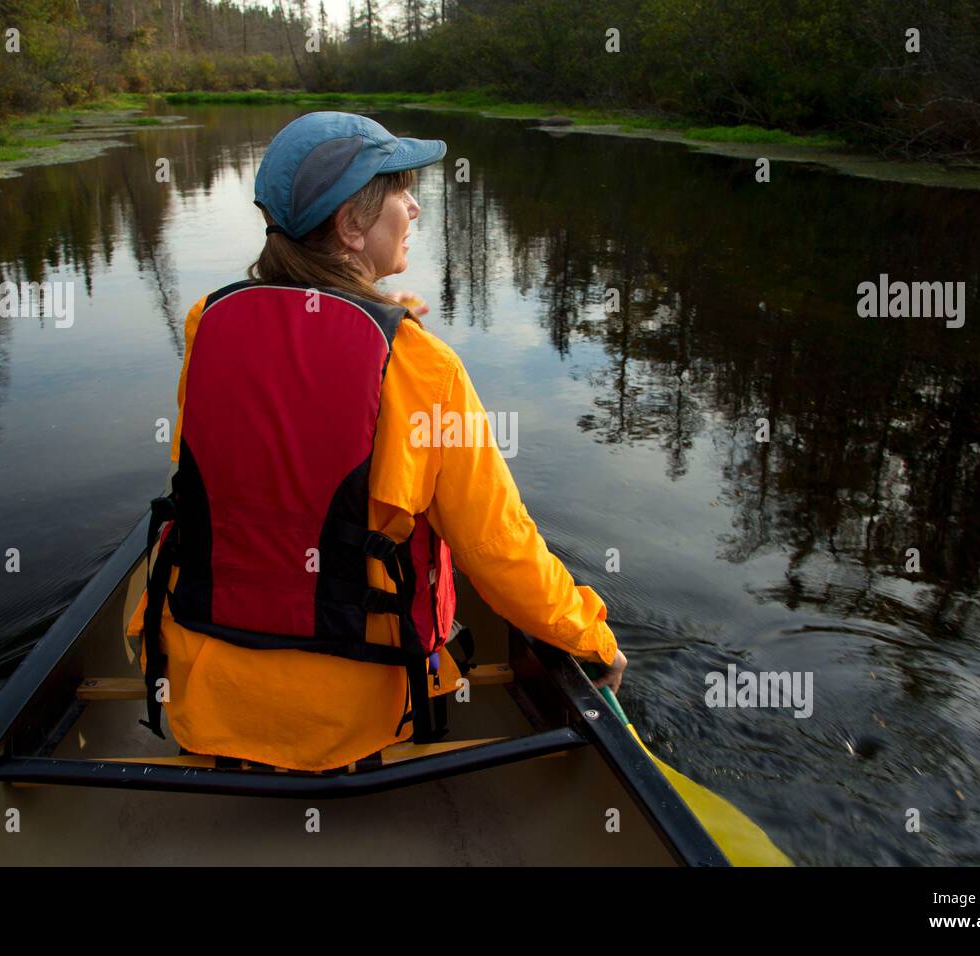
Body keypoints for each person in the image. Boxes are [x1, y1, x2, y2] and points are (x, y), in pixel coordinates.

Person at [125, 111, 626, 772]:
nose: (416, 206)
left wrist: (378, 320)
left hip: (205, 693)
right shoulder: (424, 368)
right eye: (399, 191)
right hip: (351, 716)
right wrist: (592, 640)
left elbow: (257, 438)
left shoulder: (207, 322)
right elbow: (497, 549)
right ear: (351, 226)